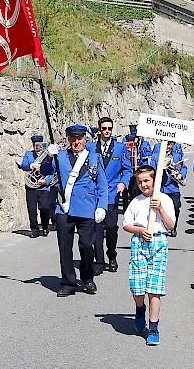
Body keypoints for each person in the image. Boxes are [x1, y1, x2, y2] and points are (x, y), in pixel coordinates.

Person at [42, 125, 108, 297]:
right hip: (64, 207)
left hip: (87, 208)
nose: (76, 142)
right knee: (65, 247)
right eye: (73, 139)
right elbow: (45, 171)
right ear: (68, 140)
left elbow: (102, 185)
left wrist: (102, 206)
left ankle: (87, 278)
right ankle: (68, 282)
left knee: (87, 246)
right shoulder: (60, 156)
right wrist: (49, 157)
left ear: (85, 139)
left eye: (79, 139)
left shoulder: (94, 158)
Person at [123, 165, 176, 346]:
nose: (143, 184)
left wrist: (160, 209)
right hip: (139, 243)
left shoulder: (165, 199)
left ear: (155, 180)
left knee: (155, 289)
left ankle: (153, 328)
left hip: (159, 244)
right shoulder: (135, 202)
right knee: (137, 288)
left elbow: (170, 225)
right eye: (140, 182)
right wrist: (139, 230)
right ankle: (140, 308)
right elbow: (126, 224)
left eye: (147, 180)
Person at [87, 117, 132, 274]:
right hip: (95, 194)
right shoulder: (90, 147)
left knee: (111, 227)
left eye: (109, 128)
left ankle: (111, 255)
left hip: (113, 193)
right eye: (104, 128)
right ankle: (99, 261)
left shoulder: (120, 148)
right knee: (96, 228)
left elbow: (127, 169)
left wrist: (123, 183)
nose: (107, 131)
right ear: (99, 129)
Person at [20, 135, 54, 238]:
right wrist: (32, 166)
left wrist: (46, 181)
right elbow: (23, 165)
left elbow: (53, 171)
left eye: (39, 144)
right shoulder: (28, 154)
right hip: (31, 186)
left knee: (44, 207)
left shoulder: (48, 155)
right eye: (35, 144)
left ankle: (44, 227)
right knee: (32, 209)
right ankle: (34, 230)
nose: (37, 146)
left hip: (43, 186)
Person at [151, 141, 187, 237]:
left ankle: (173, 226)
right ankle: (162, 227)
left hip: (173, 187)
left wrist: (181, 175)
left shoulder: (176, 156)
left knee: (176, 207)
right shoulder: (155, 156)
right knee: (160, 208)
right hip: (160, 187)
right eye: (166, 144)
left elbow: (183, 167)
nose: (168, 146)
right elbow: (151, 170)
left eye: (170, 144)